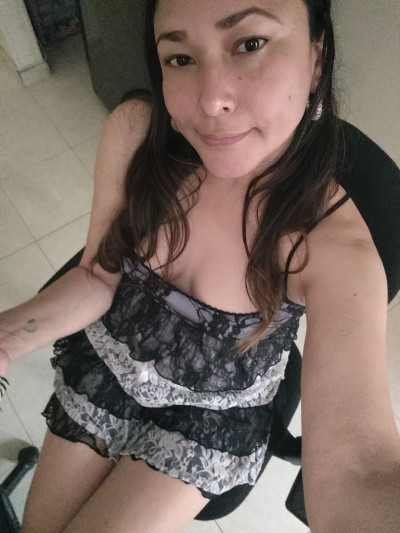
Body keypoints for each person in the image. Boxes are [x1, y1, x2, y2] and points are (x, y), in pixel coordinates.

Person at [0, 0, 399, 531]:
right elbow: (97, 274)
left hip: (211, 417)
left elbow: (357, 469)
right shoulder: (139, 133)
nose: (211, 100)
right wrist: (6, 337)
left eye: (250, 44)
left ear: (316, 58)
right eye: (181, 58)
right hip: (113, 363)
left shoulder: (331, 244)